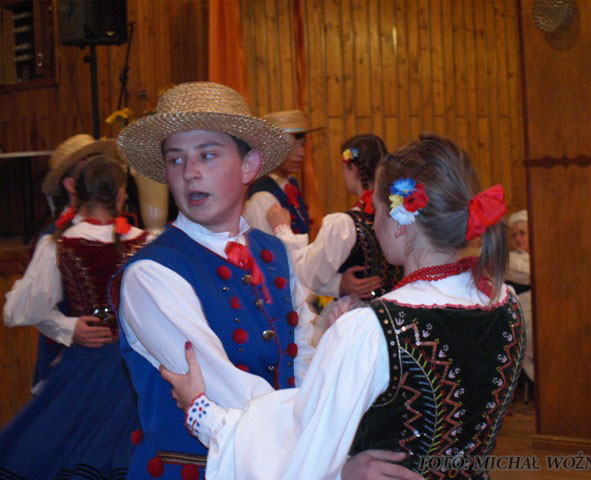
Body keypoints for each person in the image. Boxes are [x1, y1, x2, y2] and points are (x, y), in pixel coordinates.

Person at [161, 133, 526, 479]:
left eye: (377, 210)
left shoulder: (373, 329)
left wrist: (203, 413)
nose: (375, 221)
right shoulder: (505, 303)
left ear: (400, 224)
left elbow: (302, 456)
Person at [112, 82, 414, 480]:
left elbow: (302, 361)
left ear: (249, 166)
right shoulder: (152, 273)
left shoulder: (275, 254)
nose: (190, 172)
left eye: (207, 154)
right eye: (176, 159)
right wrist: (330, 464)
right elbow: (227, 391)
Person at [0, 155, 148, 479]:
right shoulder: (147, 243)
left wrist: (68, 326)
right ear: (121, 193)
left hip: (83, 369)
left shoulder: (58, 244)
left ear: (77, 192)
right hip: (136, 370)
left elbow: (18, 311)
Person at [4, 133, 121, 392]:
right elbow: (24, 307)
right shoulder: (53, 240)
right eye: (90, 168)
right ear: (71, 185)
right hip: (69, 365)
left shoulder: (127, 233)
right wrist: (69, 328)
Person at [267, 134, 402, 299]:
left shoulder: (344, 224)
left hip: (358, 311)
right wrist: (338, 284)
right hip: (394, 307)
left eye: (343, 167)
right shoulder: (400, 217)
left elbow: (306, 274)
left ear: (352, 167)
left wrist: (282, 230)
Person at [244, 109, 319, 245]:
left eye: (302, 145)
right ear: (271, 148)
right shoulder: (262, 197)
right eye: (292, 145)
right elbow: (267, 251)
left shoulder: (290, 184)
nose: (301, 153)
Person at [506, 209, 533, 382]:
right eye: (514, 235)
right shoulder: (512, 259)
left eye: (522, 233)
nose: (518, 239)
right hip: (522, 312)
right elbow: (531, 273)